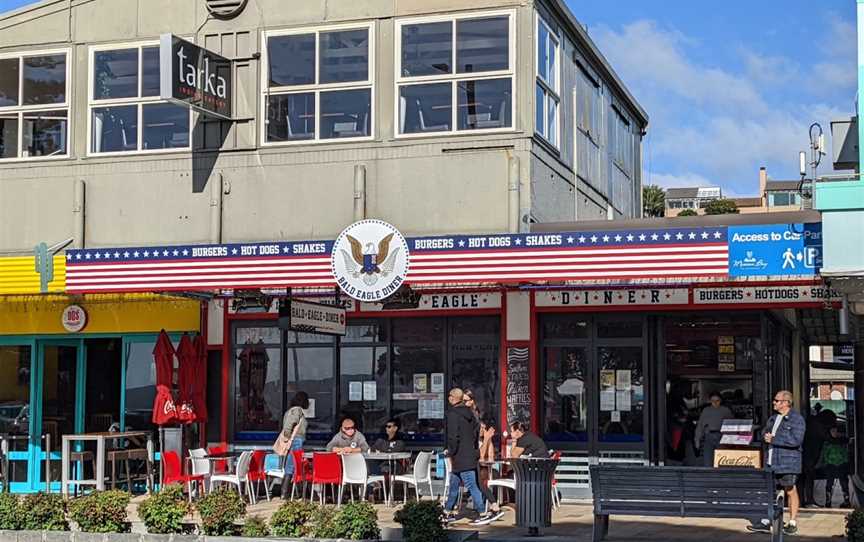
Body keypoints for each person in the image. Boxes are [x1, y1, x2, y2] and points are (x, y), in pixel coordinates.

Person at [747, 390, 806, 536]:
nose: (774, 402)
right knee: (770, 492)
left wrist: (774, 439)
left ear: (786, 402)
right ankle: (768, 520)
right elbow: (765, 434)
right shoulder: (773, 418)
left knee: (790, 490)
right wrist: (764, 436)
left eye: (776, 400)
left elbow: (796, 440)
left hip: (788, 462)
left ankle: (792, 522)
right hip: (771, 460)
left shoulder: (796, 419)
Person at [443, 388, 501, 526]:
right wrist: (474, 449)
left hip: (461, 456)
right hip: (469, 454)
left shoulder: (452, 414)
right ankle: (447, 512)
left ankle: (483, 513)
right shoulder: (470, 413)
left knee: (472, 485)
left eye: (449, 396)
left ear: (453, 398)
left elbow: (453, 436)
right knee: (454, 485)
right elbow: (476, 433)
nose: (448, 398)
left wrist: (450, 451)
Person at [280, 391, 308, 499]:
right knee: (292, 466)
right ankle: (284, 492)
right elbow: (288, 427)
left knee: (293, 465)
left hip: (295, 440)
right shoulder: (297, 410)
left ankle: (289, 492)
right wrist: (288, 437)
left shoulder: (291, 410)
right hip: (296, 440)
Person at [694, 391, 733, 467]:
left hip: (721, 437)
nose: (715, 403)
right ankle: (709, 477)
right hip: (709, 436)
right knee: (707, 461)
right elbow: (700, 426)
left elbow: (731, 425)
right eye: (713, 401)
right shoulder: (706, 410)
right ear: (710, 401)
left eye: (717, 400)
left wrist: (730, 439)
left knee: (722, 460)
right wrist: (697, 440)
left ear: (720, 400)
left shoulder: (726, 411)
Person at [822, 419, 851, 508]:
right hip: (831, 465)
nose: (834, 433)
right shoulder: (828, 442)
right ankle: (828, 500)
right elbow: (825, 454)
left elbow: (845, 454)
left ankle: (846, 501)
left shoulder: (841, 442)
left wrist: (845, 463)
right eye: (833, 431)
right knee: (830, 483)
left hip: (840, 465)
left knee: (843, 483)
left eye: (836, 431)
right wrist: (826, 463)